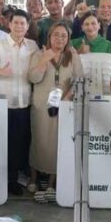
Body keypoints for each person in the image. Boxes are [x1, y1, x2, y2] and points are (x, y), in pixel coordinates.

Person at [0, 10, 39, 195]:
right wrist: (1, 71)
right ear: (9, 25)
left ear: (27, 26)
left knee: (21, 142)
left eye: (22, 23)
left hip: (25, 102)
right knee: (5, 143)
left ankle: (16, 177)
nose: (19, 26)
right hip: (3, 103)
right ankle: (6, 180)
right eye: (15, 23)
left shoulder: (32, 46)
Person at [27, 23, 82, 193]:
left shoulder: (72, 55)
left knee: (58, 142)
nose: (59, 38)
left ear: (68, 39)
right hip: (41, 104)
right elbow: (33, 78)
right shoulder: (38, 54)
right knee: (39, 141)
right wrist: (44, 60)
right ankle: (34, 179)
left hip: (63, 105)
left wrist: (67, 97)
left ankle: (52, 182)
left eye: (63, 36)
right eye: (56, 35)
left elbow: (79, 80)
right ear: (49, 36)